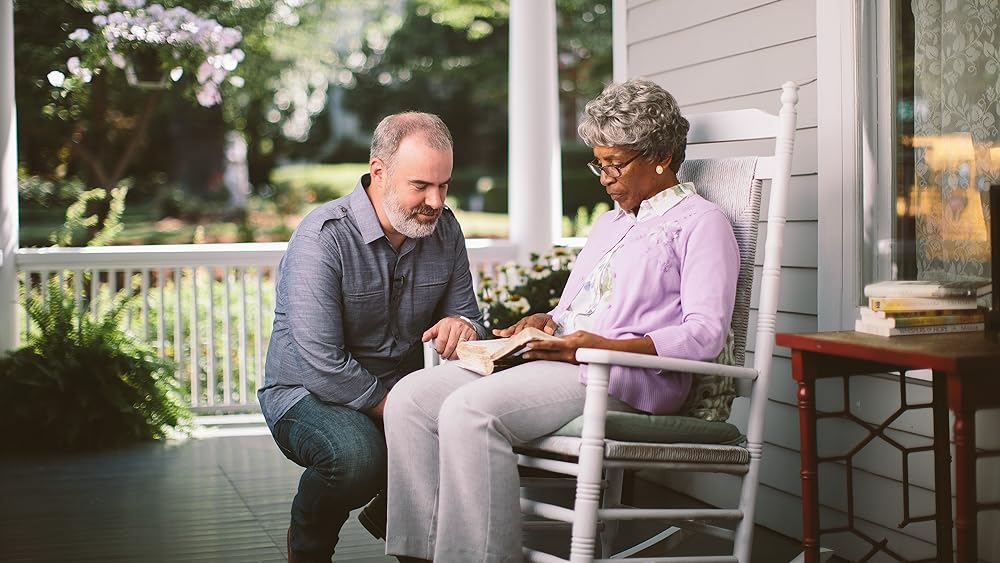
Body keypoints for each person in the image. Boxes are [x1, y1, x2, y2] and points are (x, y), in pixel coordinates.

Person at [381, 79, 740, 562]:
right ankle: (419, 555)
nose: (603, 178)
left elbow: (704, 334)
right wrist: (544, 322)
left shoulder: (702, 223)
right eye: (600, 163)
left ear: (662, 156)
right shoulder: (609, 222)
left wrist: (595, 346)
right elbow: (571, 311)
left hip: (626, 377)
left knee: (470, 412)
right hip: (567, 361)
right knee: (410, 398)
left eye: (614, 164)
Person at [258, 111, 487, 563]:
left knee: (474, 435)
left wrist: (463, 325)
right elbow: (322, 363)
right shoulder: (322, 238)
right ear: (379, 172)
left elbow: (471, 319)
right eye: (421, 186)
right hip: (306, 393)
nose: (436, 201)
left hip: (396, 394)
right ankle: (307, 543)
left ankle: (394, 522)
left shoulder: (445, 229)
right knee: (358, 459)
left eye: (444, 185)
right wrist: (402, 413)